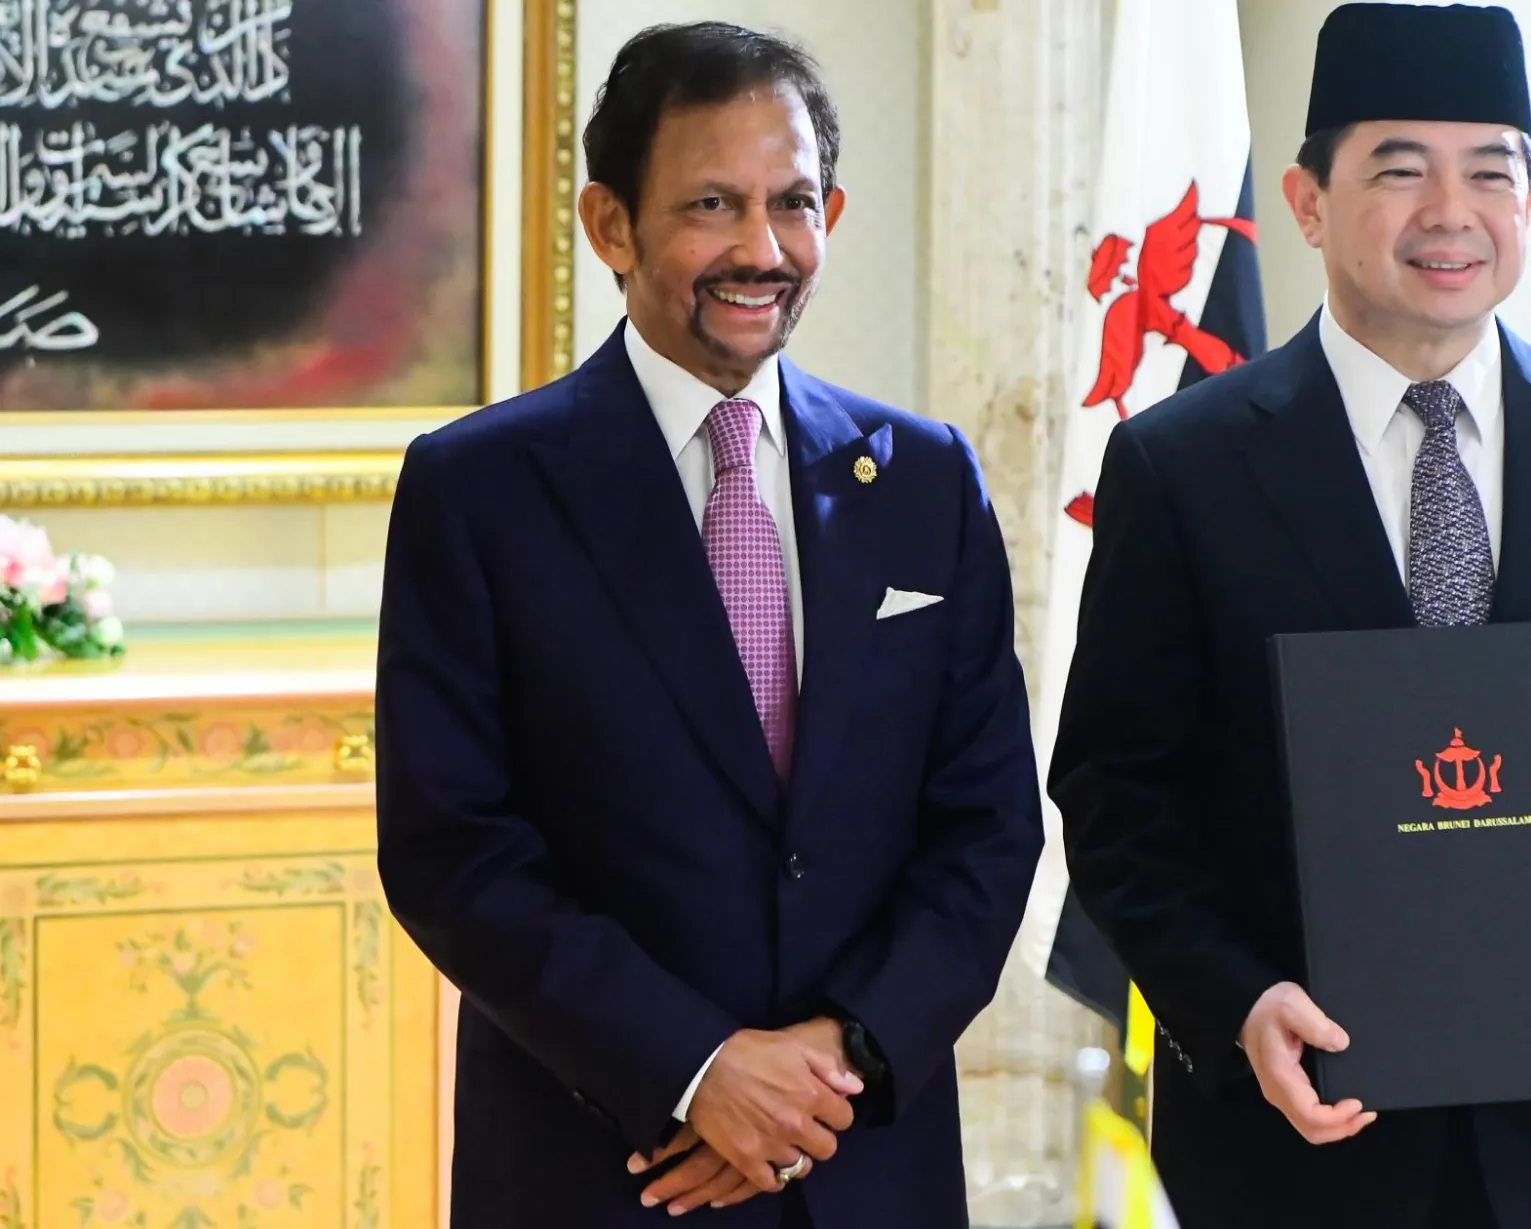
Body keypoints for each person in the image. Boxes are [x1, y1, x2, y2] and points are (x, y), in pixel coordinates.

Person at [1049, 5, 1531, 1228]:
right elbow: (1118, 796)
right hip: (1292, 1147)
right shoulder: (1185, 468)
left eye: (1489, 171)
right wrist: (1236, 1003)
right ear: (1305, 199)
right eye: (1400, 169)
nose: (1451, 213)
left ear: (1529, 201)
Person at [375, 22, 1042, 1229]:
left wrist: (826, 1075)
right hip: (609, 1169)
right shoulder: (478, 489)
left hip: (868, 1166)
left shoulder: (930, 480)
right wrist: (696, 1068)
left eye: (792, 203)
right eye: (710, 205)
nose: (760, 248)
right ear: (610, 225)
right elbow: (450, 849)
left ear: (830, 213)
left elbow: (987, 827)